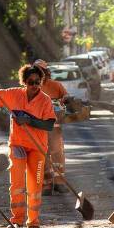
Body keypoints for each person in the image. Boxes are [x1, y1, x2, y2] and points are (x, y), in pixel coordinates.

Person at [0, 63, 56, 228]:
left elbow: (49, 125)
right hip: (18, 144)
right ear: (24, 82)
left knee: (35, 185)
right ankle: (17, 220)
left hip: (37, 148)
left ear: (41, 82)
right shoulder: (14, 94)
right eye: (31, 82)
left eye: (37, 82)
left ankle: (33, 221)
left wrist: (29, 121)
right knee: (17, 183)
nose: (34, 86)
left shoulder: (45, 100)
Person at [32, 59, 69, 195]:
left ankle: (59, 183)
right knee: (43, 155)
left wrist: (65, 99)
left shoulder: (55, 85)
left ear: (46, 72)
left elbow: (66, 96)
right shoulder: (31, 87)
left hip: (54, 127)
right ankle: (47, 185)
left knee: (57, 153)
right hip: (39, 127)